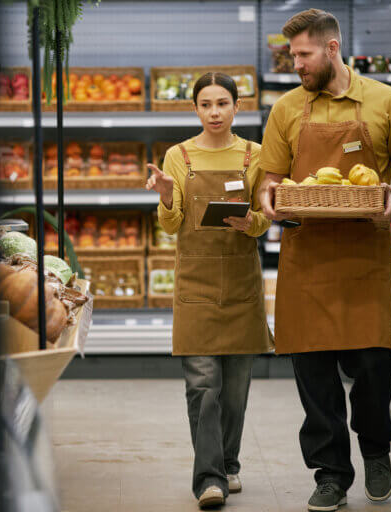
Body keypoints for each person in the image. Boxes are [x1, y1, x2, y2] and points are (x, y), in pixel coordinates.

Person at [257, 9, 391, 511]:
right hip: (305, 256)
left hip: (363, 256)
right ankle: (330, 473)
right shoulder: (286, 109)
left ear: (332, 49)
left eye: (304, 55)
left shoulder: (386, 101)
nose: (297, 65)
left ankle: (376, 450)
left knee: (374, 364)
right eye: (293, 56)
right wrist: (269, 199)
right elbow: (270, 177)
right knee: (314, 376)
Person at [146, 72, 274, 510]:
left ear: (237, 107)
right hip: (195, 285)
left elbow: (263, 219)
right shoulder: (177, 156)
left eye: (223, 103)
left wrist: (250, 222)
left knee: (235, 388)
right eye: (206, 104)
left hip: (241, 283)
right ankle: (208, 479)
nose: (215, 112)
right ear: (195, 109)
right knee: (203, 385)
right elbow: (172, 224)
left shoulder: (256, 155)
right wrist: (165, 196)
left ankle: (229, 463)